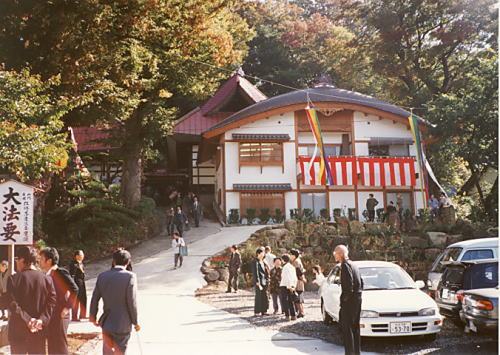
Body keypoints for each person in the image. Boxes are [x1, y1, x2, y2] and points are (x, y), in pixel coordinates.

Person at [7, 246, 56, 355]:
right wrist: (41, 320)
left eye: (17, 259)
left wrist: (28, 320)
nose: (17, 262)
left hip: (18, 331)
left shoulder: (13, 279)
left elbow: (12, 304)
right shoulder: (47, 279)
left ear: (23, 260)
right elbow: (51, 302)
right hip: (38, 330)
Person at [90, 249, 140, 355]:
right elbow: (132, 302)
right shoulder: (130, 276)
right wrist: (135, 322)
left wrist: (93, 316)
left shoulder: (102, 276)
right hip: (123, 323)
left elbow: (95, 298)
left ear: (113, 261)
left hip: (107, 321)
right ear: (128, 262)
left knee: (107, 351)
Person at [40, 247, 79, 355]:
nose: (39, 261)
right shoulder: (45, 275)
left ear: (49, 261)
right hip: (51, 314)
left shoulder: (60, 272)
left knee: (60, 346)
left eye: (41, 259)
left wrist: (67, 307)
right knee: (52, 345)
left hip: (61, 314)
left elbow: (75, 288)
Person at [334, 245, 363, 355]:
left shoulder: (345, 265)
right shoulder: (354, 265)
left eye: (335, 253)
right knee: (355, 329)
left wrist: (343, 300)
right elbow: (361, 282)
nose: (334, 255)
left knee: (347, 330)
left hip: (349, 302)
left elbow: (348, 286)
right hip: (357, 299)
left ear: (340, 254)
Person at [70, 250, 87, 321]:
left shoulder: (81, 263)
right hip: (76, 284)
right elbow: (72, 275)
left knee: (83, 299)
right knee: (76, 300)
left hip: (82, 283)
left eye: (83, 255)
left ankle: (82, 315)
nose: (82, 256)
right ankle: (74, 317)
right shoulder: (73, 264)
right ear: (77, 256)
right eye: (81, 255)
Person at [279, 254, 297, 321]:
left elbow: (287, 278)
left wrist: (289, 286)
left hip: (285, 285)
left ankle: (287, 316)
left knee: (285, 301)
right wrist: (294, 286)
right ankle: (293, 315)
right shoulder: (292, 267)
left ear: (283, 260)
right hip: (291, 285)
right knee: (290, 301)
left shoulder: (285, 267)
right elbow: (295, 278)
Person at [251, 248, 269, 316]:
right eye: (262, 253)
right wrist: (257, 281)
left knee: (264, 296)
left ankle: (264, 311)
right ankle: (257, 311)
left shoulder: (263, 261)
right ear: (258, 253)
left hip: (264, 280)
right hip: (259, 281)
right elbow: (255, 272)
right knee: (258, 296)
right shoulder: (255, 261)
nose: (263, 254)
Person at [290, 249, 305, 318]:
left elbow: (298, 272)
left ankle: (301, 312)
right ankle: (301, 312)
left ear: (294, 255)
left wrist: (301, 278)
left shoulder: (295, 262)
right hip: (300, 280)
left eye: (291, 254)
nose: (290, 256)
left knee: (297, 298)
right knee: (299, 298)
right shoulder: (298, 260)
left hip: (297, 281)